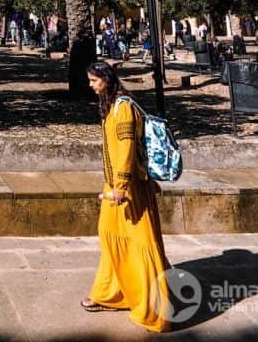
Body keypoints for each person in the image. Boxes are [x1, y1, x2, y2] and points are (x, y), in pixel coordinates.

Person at [82, 61, 170, 331]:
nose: (91, 85)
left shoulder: (124, 108)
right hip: (114, 186)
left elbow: (126, 149)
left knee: (141, 242)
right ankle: (112, 292)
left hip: (127, 189)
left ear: (107, 80)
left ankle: (154, 308)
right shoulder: (113, 106)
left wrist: (120, 186)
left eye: (94, 81)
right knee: (111, 237)